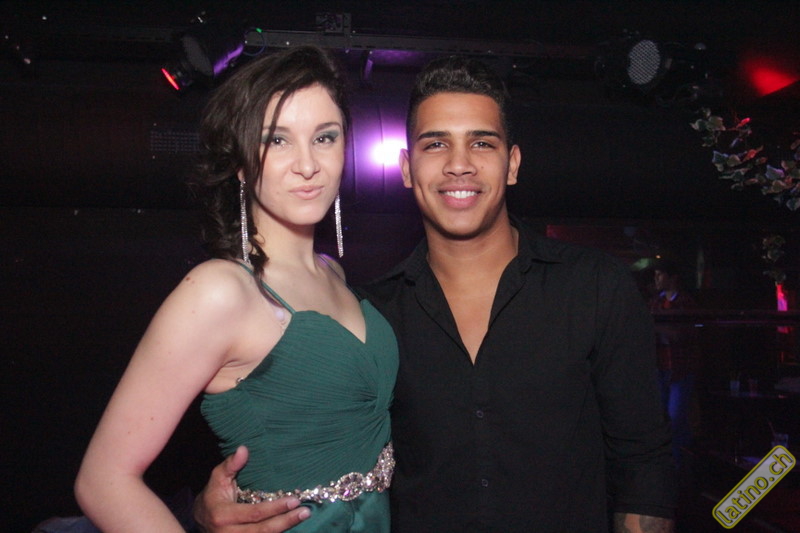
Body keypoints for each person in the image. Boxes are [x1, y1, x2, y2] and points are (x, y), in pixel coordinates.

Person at [194, 55, 676, 532]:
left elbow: (643, 467)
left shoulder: (594, 287)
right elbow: (307, 446)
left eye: (481, 143)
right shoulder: (369, 318)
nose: (459, 165)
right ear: (407, 168)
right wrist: (213, 505)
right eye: (436, 144)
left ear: (511, 165)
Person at [74, 45, 398, 533]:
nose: (307, 164)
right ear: (242, 163)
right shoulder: (220, 291)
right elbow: (103, 481)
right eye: (277, 141)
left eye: (324, 137)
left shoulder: (333, 272)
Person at [650, 258, 701, 466]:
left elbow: (681, 334)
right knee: (665, 419)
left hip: (680, 368)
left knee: (675, 417)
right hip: (660, 368)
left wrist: (654, 327)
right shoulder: (655, 302)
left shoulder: (684, 303)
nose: (656, 279)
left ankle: (675, 464)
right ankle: (678, 462)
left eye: (660, 274)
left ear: (672, 278)